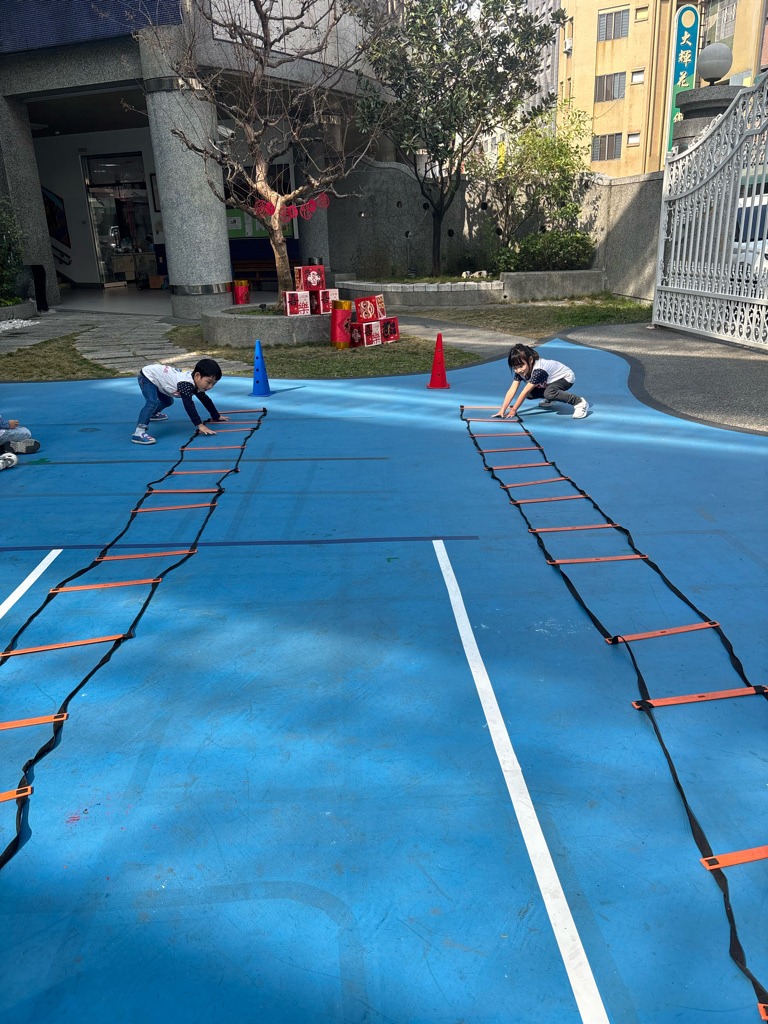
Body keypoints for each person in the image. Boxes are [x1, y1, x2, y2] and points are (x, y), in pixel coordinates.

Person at [132, 358, 229, 445]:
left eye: (214, 384)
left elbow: (205, 400)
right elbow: (188, 404)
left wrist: (216, 416)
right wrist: (200, 425)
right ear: (197, 375)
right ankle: (138, 433)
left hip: (159, 380)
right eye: (208, 382)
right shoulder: (186, 384)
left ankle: (153, 414)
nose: (210, 387)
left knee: (168, 401)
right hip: (148, 376)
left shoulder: (196, 383)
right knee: (152, 402)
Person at [494, 344, 589, 420]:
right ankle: (552, 398)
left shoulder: (539, 371)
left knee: (548, 393)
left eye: (521, 366)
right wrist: (503, 409)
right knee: (531, 394)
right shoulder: (520, 371)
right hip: (550, 381)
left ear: (530, 360)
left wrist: (514, 410)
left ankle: (579, 402)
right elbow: (512, 389)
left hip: (565, 377)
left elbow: (524, 392)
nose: (518, 370)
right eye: (515, 368)